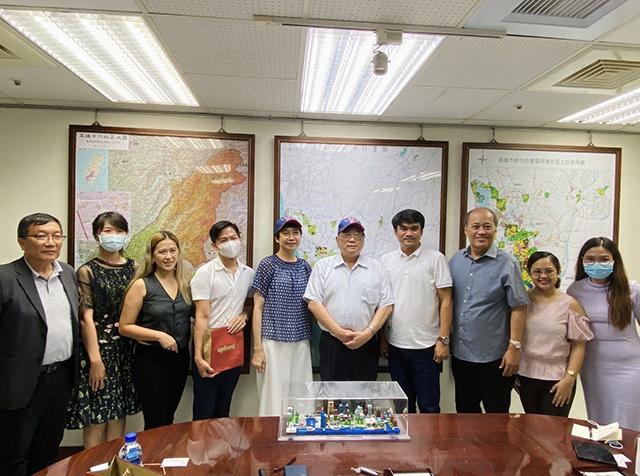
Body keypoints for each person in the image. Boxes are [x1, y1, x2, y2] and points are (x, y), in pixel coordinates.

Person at [0, 213, 79, 476]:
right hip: (18, 383)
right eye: (41, 236)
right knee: (13, 455)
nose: (51, 242)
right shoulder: (5, 278)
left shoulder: (67, 273)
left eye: (57, 236)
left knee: (48, 451)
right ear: (22, 242)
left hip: (60, 379)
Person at [66, 212, 139, 448]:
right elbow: (86, 319)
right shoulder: (87, 271)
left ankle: (115, 463)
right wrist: (95, 360)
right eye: (108, 231)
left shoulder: (135, 268)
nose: (114, 236)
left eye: (119, 231)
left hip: (126, 349)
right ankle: (93, 465)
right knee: (97, 416)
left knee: (118, 412)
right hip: (99, 349)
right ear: (97, 235)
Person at [449, 207, 529, 413]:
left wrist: (514, 349)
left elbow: (519, 307)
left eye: (487, 227)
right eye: (475, 226)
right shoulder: (456, 261)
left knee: (497, 417)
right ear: (466, 230)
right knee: (465, 414)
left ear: (495, 230)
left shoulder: (508, 263)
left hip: (495, 358)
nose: (481, 232)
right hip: (461, 355)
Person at [380, 209, 452, 414]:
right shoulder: (386, 261)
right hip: (396, 345)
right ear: (395, 232)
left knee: (429, 406)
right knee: (402, 407)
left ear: (421, 231)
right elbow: (383, 303)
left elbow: (446, 300)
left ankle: (429, 438)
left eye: (414, 228)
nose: (409, 233)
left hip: (427, 347)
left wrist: (443, 340)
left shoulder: (435, 259)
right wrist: (383, 340)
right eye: (403, 228)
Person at [304, 217, 394, 381]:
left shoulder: (377, 268)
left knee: (364, 393)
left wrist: (368, 333)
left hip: (366, 342)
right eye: (346, 235)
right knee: (332, 392)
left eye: (357, 235)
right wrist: (338, 332)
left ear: (363, 240)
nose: (352, 239)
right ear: (337, 240)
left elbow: (386, 305)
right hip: (332, 342)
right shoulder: (323, 267)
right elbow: (314, 304)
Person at [119, 230, 192, 430]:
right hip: (151, 361)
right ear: (152, 256)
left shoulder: (186, 284)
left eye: (172, 251)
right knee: (155, 420)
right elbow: (125, 327)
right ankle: (152, 452)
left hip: (180, 359)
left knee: (169, 417)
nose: (168, 256)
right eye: (162, 252)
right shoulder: (141, 285)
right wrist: (159, 335)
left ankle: (166, 451)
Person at [567, 237, 640, 431]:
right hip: (593, 367)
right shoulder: (575, 290)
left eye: (604, 259)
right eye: (590, 259)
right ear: (582, 261)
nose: (596, 264)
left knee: (628, 422)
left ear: (614, 260)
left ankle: (629, 452)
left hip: (630, 367)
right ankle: (603, 451)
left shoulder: (632, 289)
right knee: (599, 420)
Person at [517, 251, 593, 417]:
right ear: (529, 273)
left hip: (558, 379)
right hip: (526, 377)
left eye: (549, 271)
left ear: (558, 271)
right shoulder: (522, 302)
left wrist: (570, 378)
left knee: (553, 429)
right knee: (531, 427)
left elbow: (579, 346)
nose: (543, 276)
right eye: (537, 271)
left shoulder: (570, 304)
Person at [191, 221, 254, 420]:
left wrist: (244, 316)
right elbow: (201, 316)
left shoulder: (248, 273)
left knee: (223, 409)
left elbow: (250, 304)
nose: (230, 243)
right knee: (204, 411)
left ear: (240, 240)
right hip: (210, 346)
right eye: (224, 240)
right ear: (215, 245)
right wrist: (198, 356)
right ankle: (200, 443)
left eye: (233, 238)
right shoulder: (205, 274)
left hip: (233, 345)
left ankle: (221, 443)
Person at [252, 216, 313, 416]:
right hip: (273, 341)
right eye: (285, 233)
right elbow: (257, 308)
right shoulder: (268, 265)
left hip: (300, 340)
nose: (291, 237)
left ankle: (299, 430)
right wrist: (258, 348)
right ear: (277, 238)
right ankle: (272, 433)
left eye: (295, 233)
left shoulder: (305, 267)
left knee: (299, 395)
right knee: (274, 394)